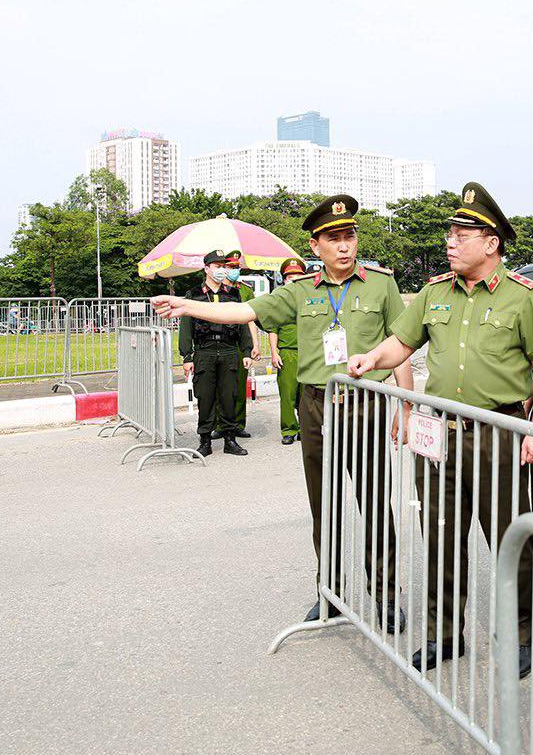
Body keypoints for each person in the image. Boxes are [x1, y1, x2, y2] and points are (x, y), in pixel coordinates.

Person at [153, 195, 414, 630]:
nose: (344, 246)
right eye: (333, 239)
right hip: (316, 406)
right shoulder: (299, 291)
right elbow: (244, 310)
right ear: (316, 247)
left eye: (349, 236)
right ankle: (329, 590)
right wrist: (187, 305)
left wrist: (405, 406)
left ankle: (386, 593)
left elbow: (401, 346)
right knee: (323, 504)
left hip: (367, 405)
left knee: (374, 501)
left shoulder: (382, 285)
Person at [348, 181, 533, 679]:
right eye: (451, 232)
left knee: (511, 540)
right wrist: (370, 359)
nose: (451, 240)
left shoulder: (522, 298)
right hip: (437, 435)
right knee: (441, 538)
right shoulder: (433, 293)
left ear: (492, 243)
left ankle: (521, 633)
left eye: (463, 232)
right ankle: (445, 634)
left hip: (500, 434)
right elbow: (400, 344)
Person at [177, 250, 254, 457]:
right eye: (217, 267)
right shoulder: (194, 294)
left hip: (229, 349)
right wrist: (187, 356)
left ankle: (230, 440)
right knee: (206, 397)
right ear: (207, 269)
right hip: (205, 350)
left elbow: (242, 322)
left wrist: (246, 350)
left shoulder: (233, 294)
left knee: (229, 396)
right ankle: (204, 441)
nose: (221, 270)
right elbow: (186, 326)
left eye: (224, 267)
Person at [223, 252, 260, 443]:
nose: (234, 271)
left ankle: (238, 424)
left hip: (240, 342)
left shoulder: (245, 291)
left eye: (236, 267)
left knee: (239, 385)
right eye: (230, 267)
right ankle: (221, 425)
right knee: (221, 387)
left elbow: (251, 319)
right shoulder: (216, 289)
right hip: (221, 342)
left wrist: (255, 344)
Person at [269, 258, 306, 445]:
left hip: (309, 352)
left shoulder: (309, 297)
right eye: (290, 277)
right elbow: (273, 329)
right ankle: (289, 430)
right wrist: (274, 352)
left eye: (298, 276)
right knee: (288, 394)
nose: (293, 280)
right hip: (288, 351)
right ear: (284, 279)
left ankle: (305, 429)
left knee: (307, 396)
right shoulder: (280, 299)